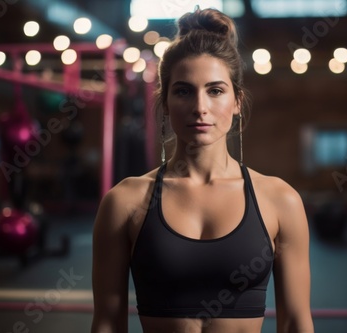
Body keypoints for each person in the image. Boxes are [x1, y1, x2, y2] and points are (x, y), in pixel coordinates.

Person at [91, 7, 313, 333]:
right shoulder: (124, 201)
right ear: (165, 102)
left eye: (215, 90)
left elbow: (296, 323)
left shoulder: (280, 200)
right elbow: (107, 324)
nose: (200, 107)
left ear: (237, 101)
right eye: (183, 91)